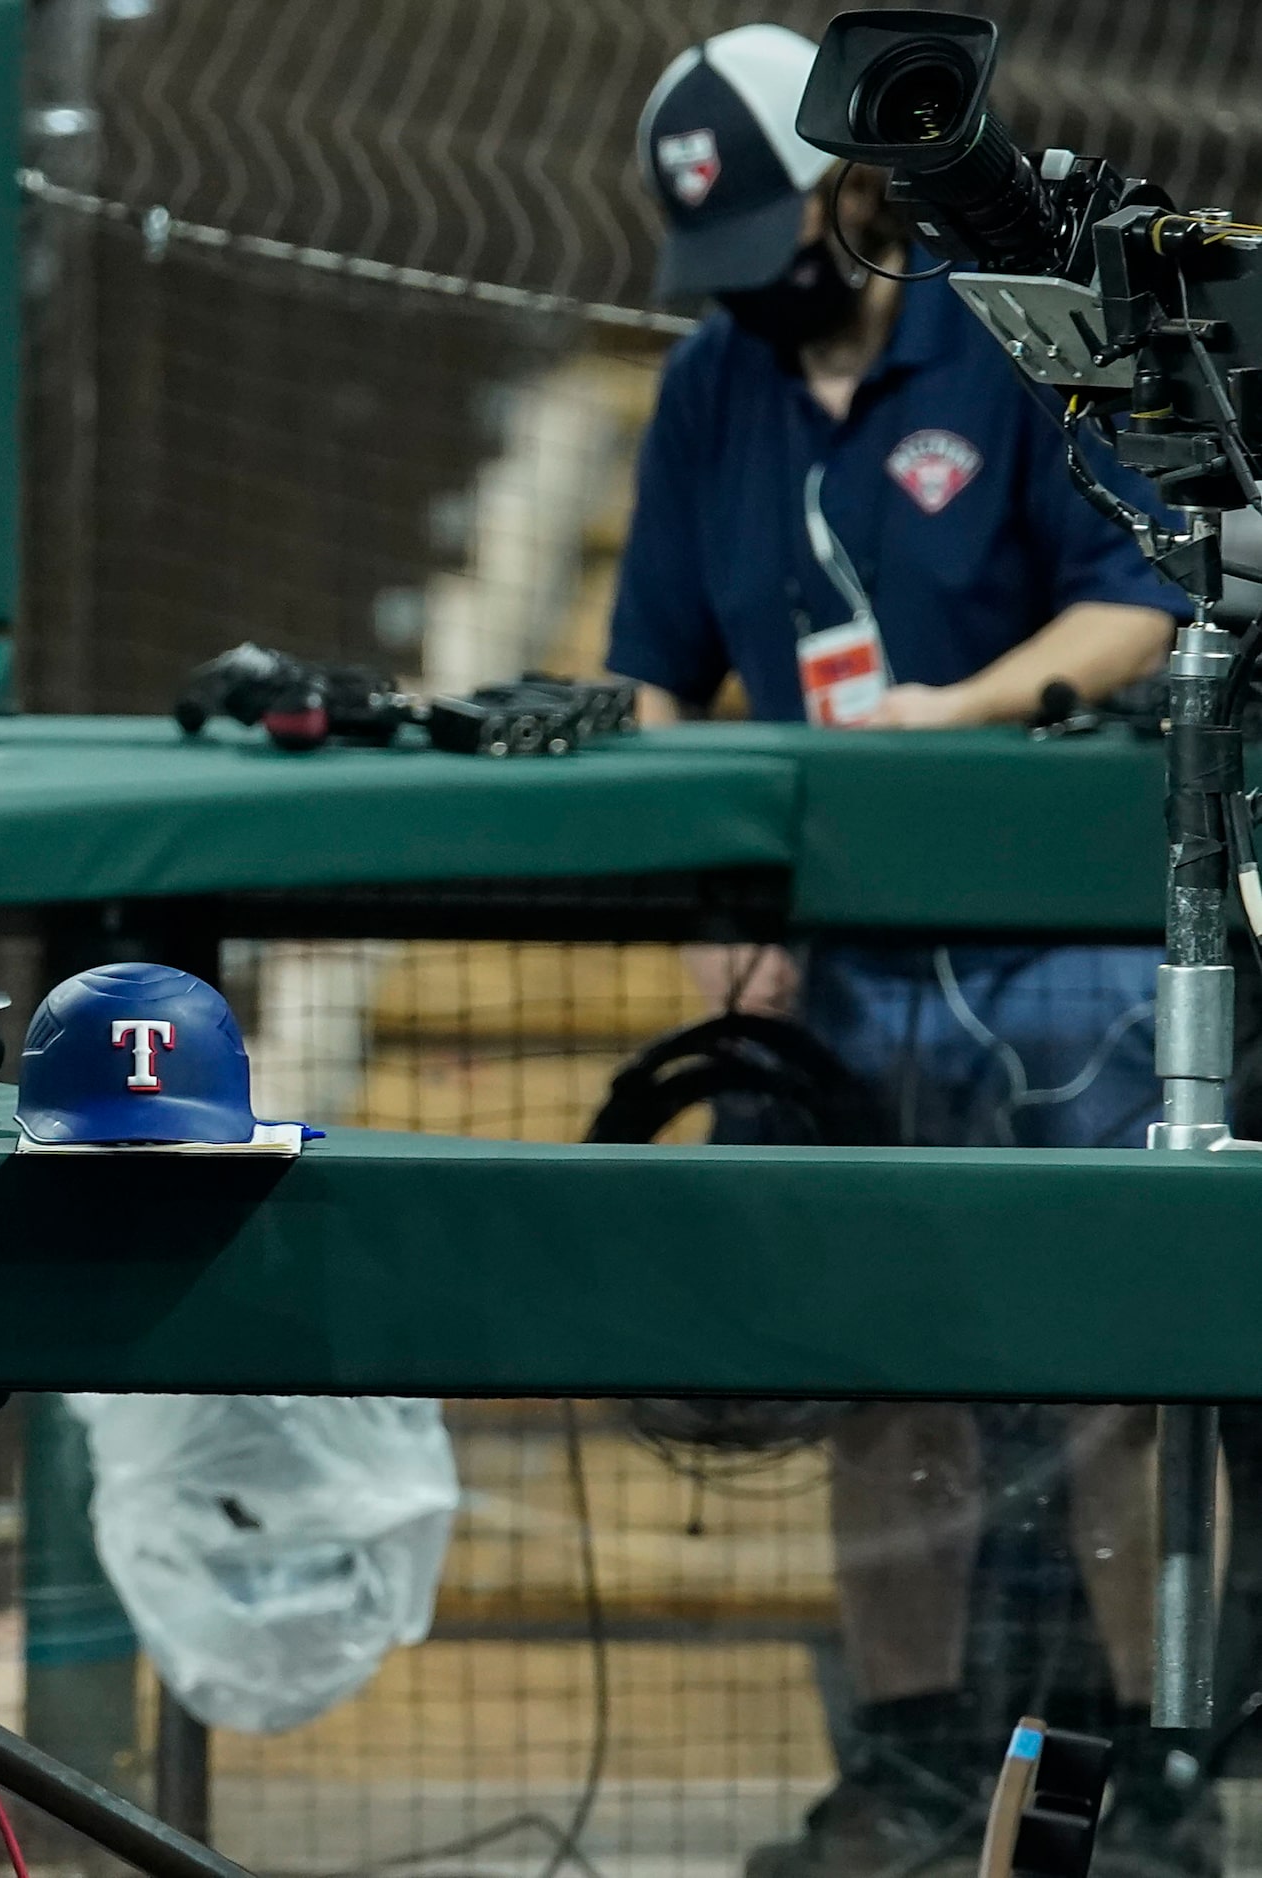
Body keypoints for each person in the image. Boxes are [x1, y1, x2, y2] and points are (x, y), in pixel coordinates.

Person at [611, 27, 1200, 1878]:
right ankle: (917, 1758)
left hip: (1065, 946)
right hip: (841, 966)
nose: (758, 291)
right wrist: (710, 900)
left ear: (847, 190)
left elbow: (1139, 604)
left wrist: (949, 717)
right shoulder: (714, 386)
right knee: (885, 1367)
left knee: (1118, 1363)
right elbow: (653, 678)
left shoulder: (1008, 336)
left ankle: (1157, 1766)